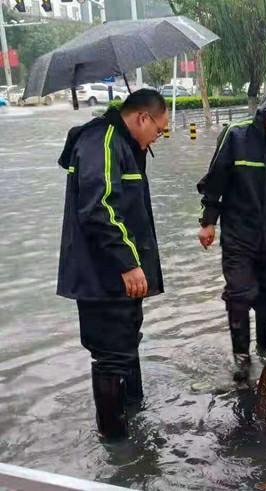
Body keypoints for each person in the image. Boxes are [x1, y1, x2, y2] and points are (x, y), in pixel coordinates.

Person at [56, 89, 168, 439]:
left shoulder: (123, 143)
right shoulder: (100, 141)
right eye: (159, 130)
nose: (158, 137)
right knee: (110, 357)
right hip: (102, 275)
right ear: (142, 118)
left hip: (121, 276)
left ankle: (134, 416)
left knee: (125, 345)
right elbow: (98, 208)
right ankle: (117, 445)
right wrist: (127, 263)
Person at [197, 83, 266, 382]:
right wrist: (208, 222)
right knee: (240, 294)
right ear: (265, 112)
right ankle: (242, 359)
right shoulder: (236, 135)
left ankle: (263, 350)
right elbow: (215, 180)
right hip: (239, 234)